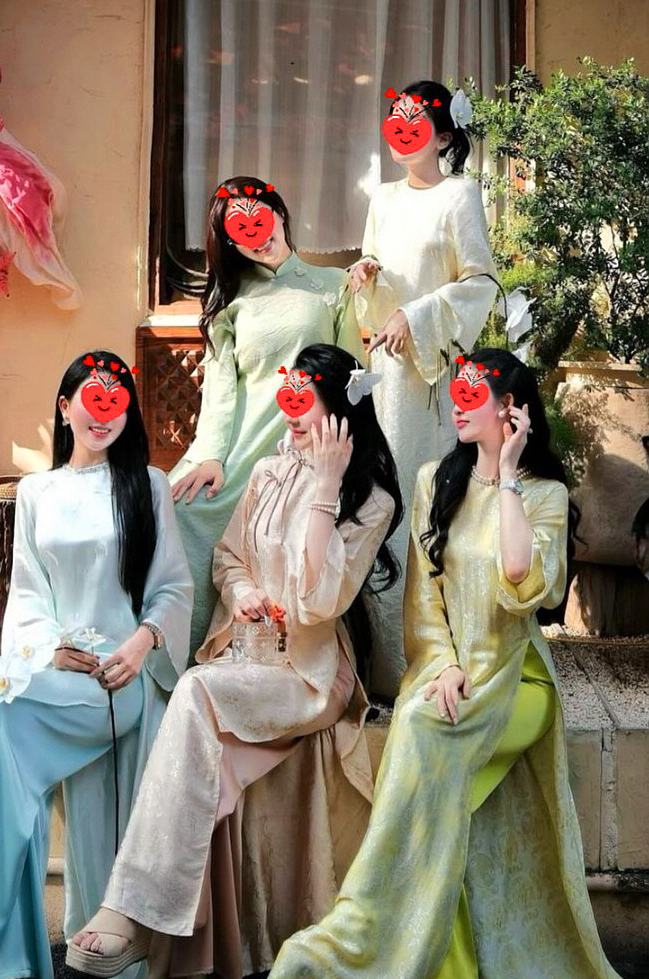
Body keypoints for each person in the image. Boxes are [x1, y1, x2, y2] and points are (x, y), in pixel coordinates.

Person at [270, 348, 624, 979]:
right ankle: (441, 961)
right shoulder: (435, 479)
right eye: (456, 392)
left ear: (510, 408)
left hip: (517, 680)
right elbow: (424, 599)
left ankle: (366, 932)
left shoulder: (544, 494)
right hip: (447, 673)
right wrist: (441, 666)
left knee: (424, 731)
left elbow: (522, 581)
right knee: (438, 791)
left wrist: (507, 475)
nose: (457, 406)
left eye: (472, 396)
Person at [69, 343, 401, 979]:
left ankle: (131, 911)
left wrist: (326, 487)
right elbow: (228, 555)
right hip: (246, 657)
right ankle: (163, 927)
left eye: (306, 401)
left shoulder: (372, 501)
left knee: (195, 691)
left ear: (340, 412)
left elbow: (317, 601)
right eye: (289, 396)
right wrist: (244, 590)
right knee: (194, 706)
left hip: (306, 676)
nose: (292, 413)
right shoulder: (270, 471)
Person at [0, 350, 193, 979]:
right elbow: (26, 597)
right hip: (56, 675)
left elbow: (172, 588)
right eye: (92, 400)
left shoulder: (148, 485)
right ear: (65, 406)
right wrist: (49, 650)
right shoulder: (37, 492)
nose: (103, 414)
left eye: (116, 401)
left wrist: (140, 645)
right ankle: (3, 957)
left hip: (119, 681)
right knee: (2, 731)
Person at [170, 176, 365, 657]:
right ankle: (181, 659)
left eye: (259, 218)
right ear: (230, 243)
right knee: (181, 511)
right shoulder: (230, 302)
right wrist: (211, 456)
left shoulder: (334, 286)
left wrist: (342, 454)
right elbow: (221, 390)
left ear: (278, 213)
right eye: (239, 231)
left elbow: (351, 378)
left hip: (306, 450)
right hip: (239, 447)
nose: (255, 235)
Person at [350, 79, 498, 696]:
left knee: (427, 500)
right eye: (396, 122)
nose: (403, 133)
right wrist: (365, 276)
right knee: (379, 501)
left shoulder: (461, 195)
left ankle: (435, 660)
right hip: (385, 374)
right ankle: (382, 665)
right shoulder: (382, 198)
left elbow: (481, 282)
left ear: (442, 137)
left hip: (434, 380)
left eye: (417, 124)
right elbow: (374, 288)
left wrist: (417, 315)